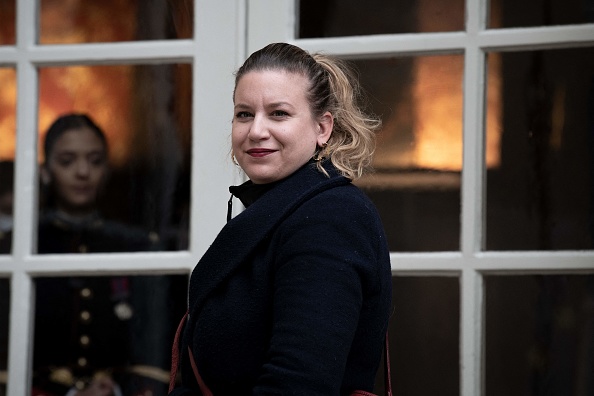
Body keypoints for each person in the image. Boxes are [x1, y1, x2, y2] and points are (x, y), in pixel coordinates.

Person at [169, 42, 392, 395]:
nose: (256, 130)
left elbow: (300, 384)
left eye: (278, 114)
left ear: (323, 128)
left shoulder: (330, 218)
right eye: (244, 114)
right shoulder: (287, 207)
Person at [33, 113, 186, 396]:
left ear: (107, 169)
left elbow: (152, 353)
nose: (82, 172)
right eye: (67, 161)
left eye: (95, 160)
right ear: (45, 171)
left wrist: (115, 389)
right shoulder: (23, 246)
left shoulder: (136, 244)